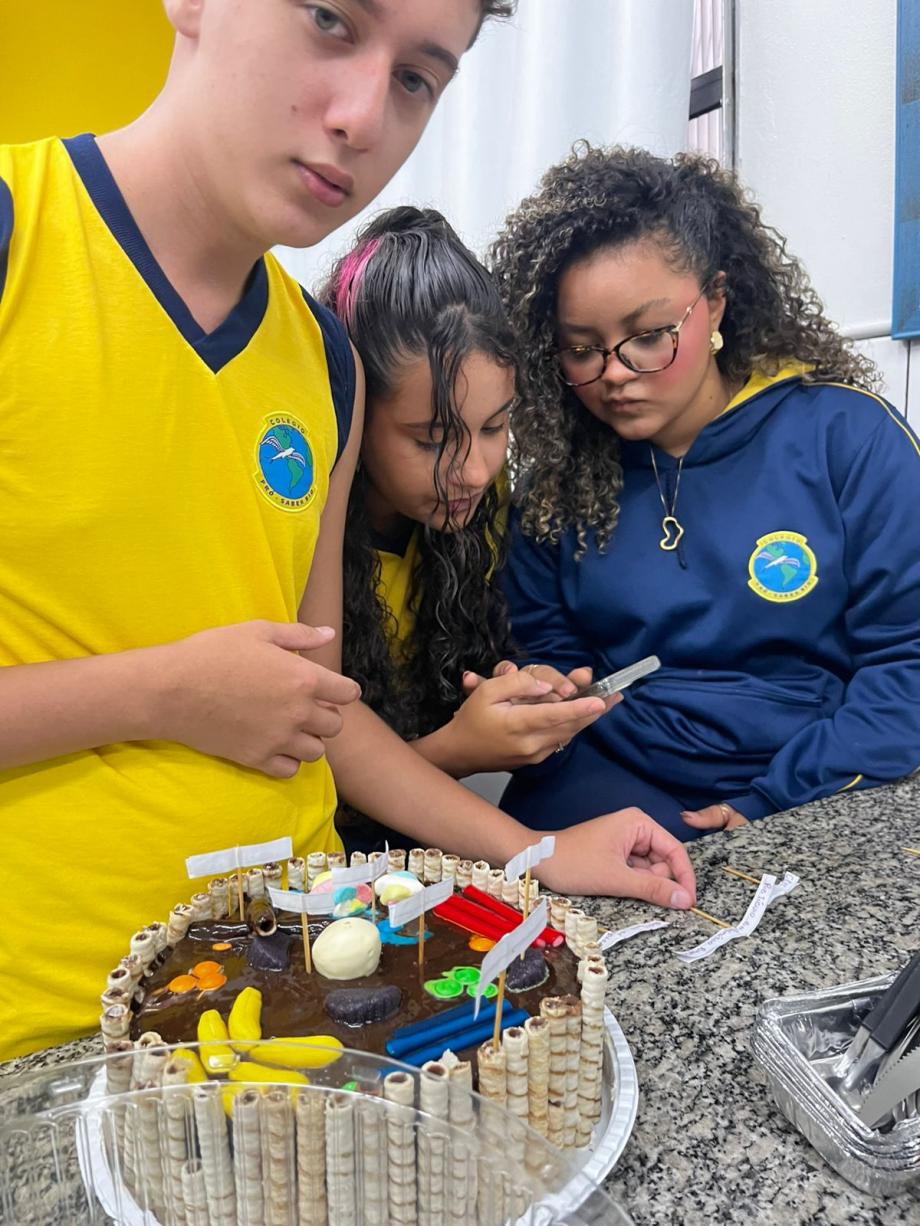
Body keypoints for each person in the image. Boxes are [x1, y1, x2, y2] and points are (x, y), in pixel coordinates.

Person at [0, 8, 695, 1061]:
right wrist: (160, 692)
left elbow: (324, 711)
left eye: (418, 77)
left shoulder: (324, 361)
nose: (363, 116)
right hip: (48, 1038)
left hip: (307, 994)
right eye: (329, 19)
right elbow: (227, 694)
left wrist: (534, 849)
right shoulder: (22, 233)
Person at [490, 143, 920, 839]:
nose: (614, 373)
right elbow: (555, 652)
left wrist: (774, 801)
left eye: (649, 336)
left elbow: (907, 662)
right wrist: (547, 692)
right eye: (582, 349)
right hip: (615, 768)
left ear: (715, 303)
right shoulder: (557, 487)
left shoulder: (847, 439)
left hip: (819, 775)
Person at [320, 206, 612, 853]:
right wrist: (457, 749)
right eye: (432, 439)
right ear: (351, 414)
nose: (476, 471)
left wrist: (521, 697)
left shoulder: (484, 503)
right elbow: (312, 784)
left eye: (494, 426)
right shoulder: (300, 536)